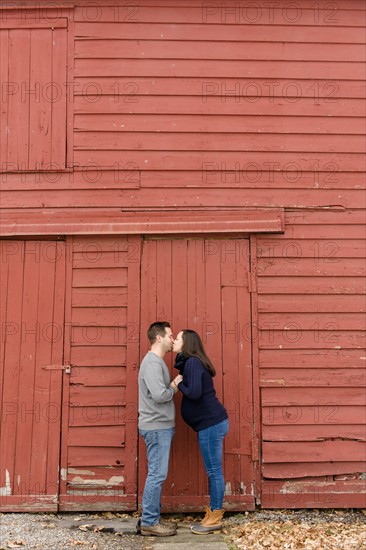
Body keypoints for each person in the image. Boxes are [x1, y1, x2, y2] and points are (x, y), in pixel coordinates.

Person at [171, 329, 229, 535]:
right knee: (213, 471)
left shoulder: (193, 362)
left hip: (211, 424)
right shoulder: (191, 362)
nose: (174, 341)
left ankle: (214, 517)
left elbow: (194, 393)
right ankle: (212, 513)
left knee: (214, 472)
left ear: (187, 342)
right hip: (209, 424)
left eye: (177, 338)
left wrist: (179, 383)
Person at [138, 321, 183, 537]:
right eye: (170, 335)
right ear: (159, 338)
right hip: (156, 427)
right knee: (157, 474)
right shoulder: (153, 364)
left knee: (157, 474)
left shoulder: (156, 362)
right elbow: (159, 396)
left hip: (160, 426)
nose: (173, 339)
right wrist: (175, 385)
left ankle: (152, 519)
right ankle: (149, 522)